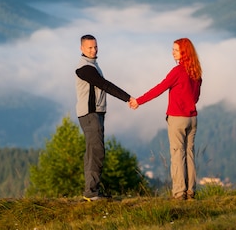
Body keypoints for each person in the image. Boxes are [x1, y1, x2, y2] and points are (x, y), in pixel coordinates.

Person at [129, 38, 202, 200]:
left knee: (177, 155)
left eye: (176, 50)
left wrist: (138, 101)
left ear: (184, 52)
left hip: (177, 118)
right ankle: (190, 191)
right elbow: (195, 97)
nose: (172, 52)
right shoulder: (196, 71)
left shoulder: (178, 71)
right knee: (189, 154)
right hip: (192, 118)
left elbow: (159, 88)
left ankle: (178, 193)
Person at [75, 34, 132, 201]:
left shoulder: (92, 65)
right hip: (90, 114)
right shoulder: (85, 68)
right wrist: (128, 98)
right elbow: (105, 85)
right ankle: (92, 193)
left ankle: (92, 191)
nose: (94, 50)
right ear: (81, 49)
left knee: (93, 151)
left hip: (95, 114)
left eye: (95, 47)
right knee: (96, 152)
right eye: (89, 48)